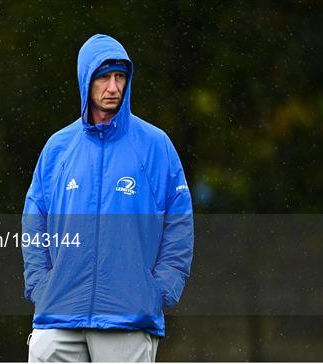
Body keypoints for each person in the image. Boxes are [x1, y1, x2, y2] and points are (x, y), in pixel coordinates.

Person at [21, 34, 194, 362]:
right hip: (57, 316)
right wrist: (40, 285)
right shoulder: (58, 148)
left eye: (120, 77)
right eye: (103, 76)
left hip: (126, 318)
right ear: (86, 79)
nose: (113, 87)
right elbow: (34, 219)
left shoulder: (155, 146)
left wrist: (160, 289)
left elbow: (179, 222)